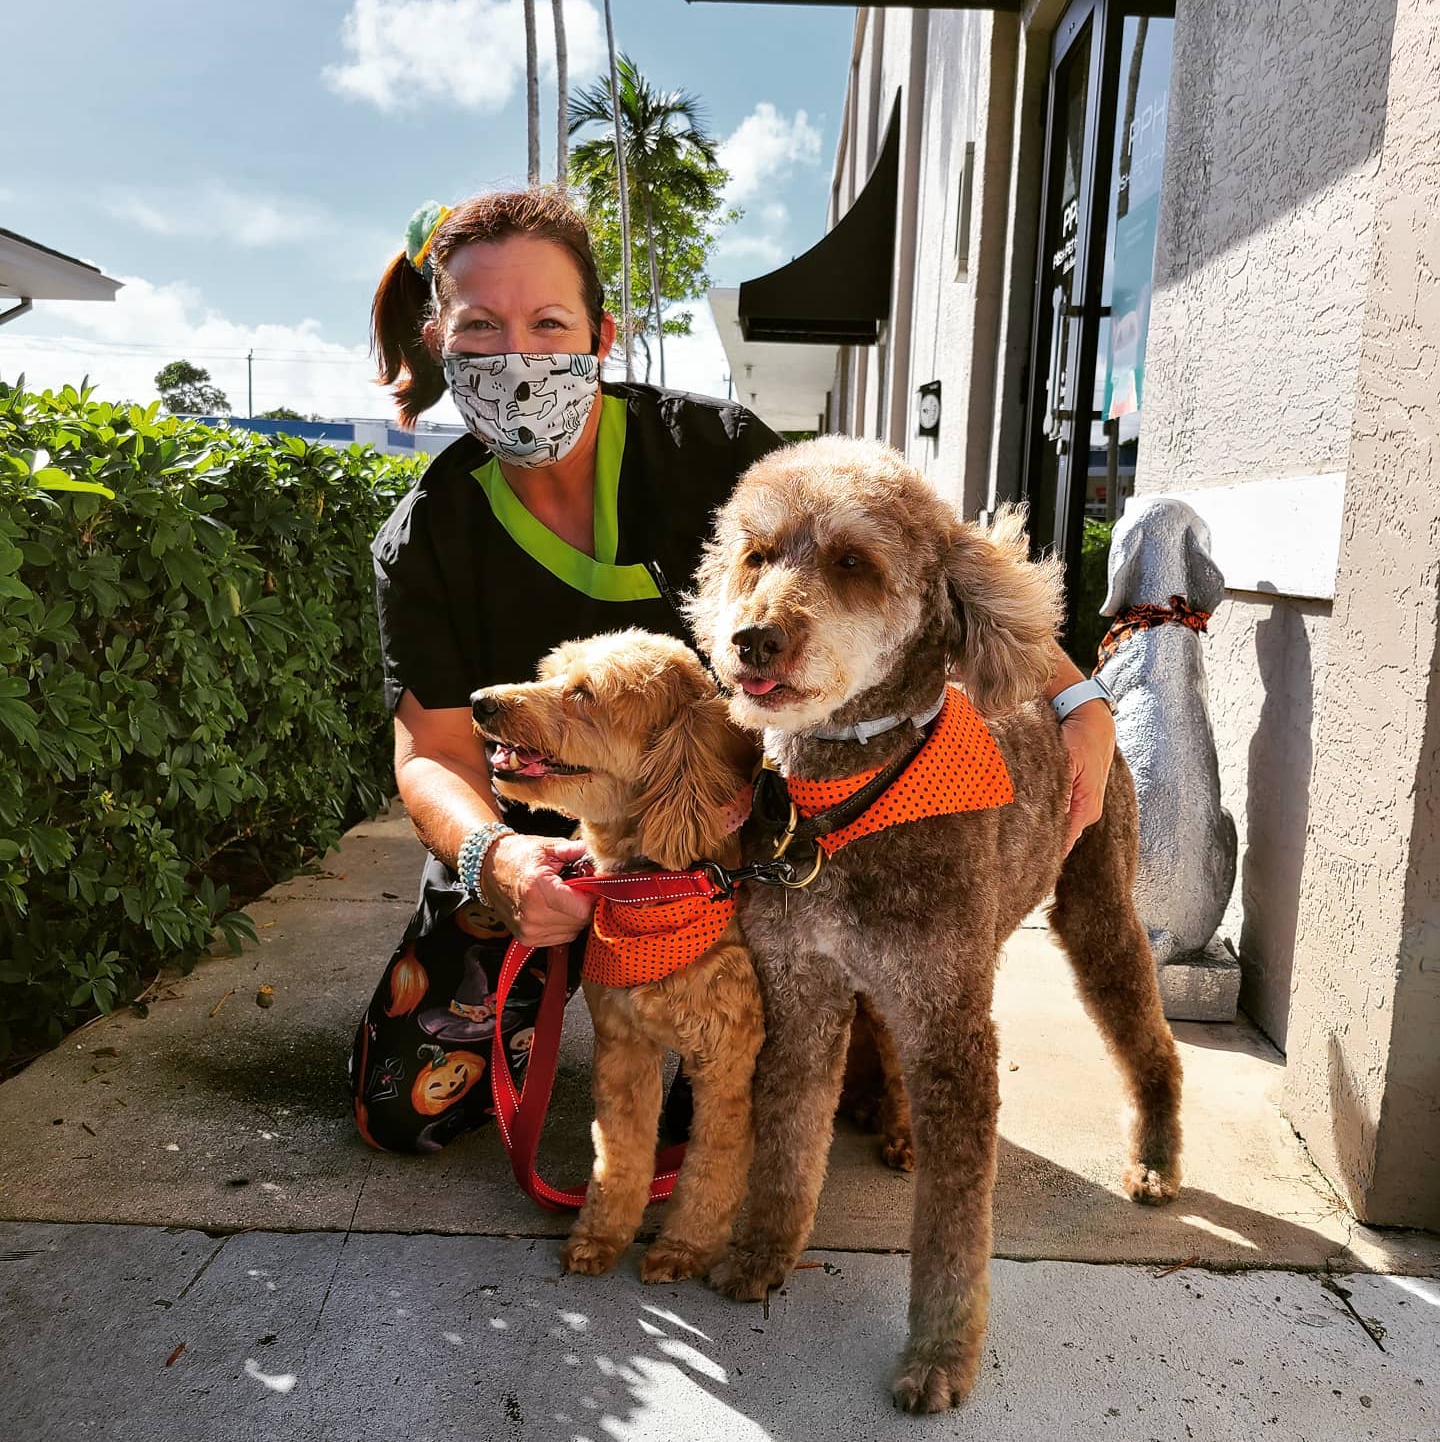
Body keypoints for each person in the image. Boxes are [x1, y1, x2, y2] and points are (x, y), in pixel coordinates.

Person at [349, 187, 1116, 1156]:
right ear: (439, 342)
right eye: (481, 328)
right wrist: (490, 862)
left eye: (548, 324)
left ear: (600, 338)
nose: (518, 357)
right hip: (542, 848)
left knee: (745, 1121)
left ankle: (813, 1028)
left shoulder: (712, 454)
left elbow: (921, 560)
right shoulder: (426, 537)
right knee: (400, 1108)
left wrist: (1077, 694)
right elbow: (432, 754)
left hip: (725, 837)